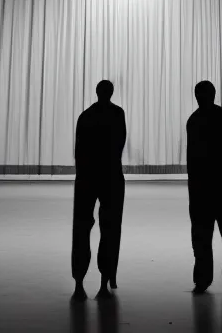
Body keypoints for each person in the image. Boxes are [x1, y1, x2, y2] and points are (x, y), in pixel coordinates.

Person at [186, 80, 222, 301]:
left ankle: (202, 279)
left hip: (202, 188)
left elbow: (193, 161)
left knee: (202, 235)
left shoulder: (194, 120)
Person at [71, 80, 127, 301]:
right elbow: (119, 144)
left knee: (82, 228)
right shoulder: (117, 114)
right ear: (111, 93)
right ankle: (106, 279)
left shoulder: (86, 116)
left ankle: (79, 280)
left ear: (97, 92)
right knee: (111, 228)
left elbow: (79, 150)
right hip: (111, 176)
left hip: (87, 178)